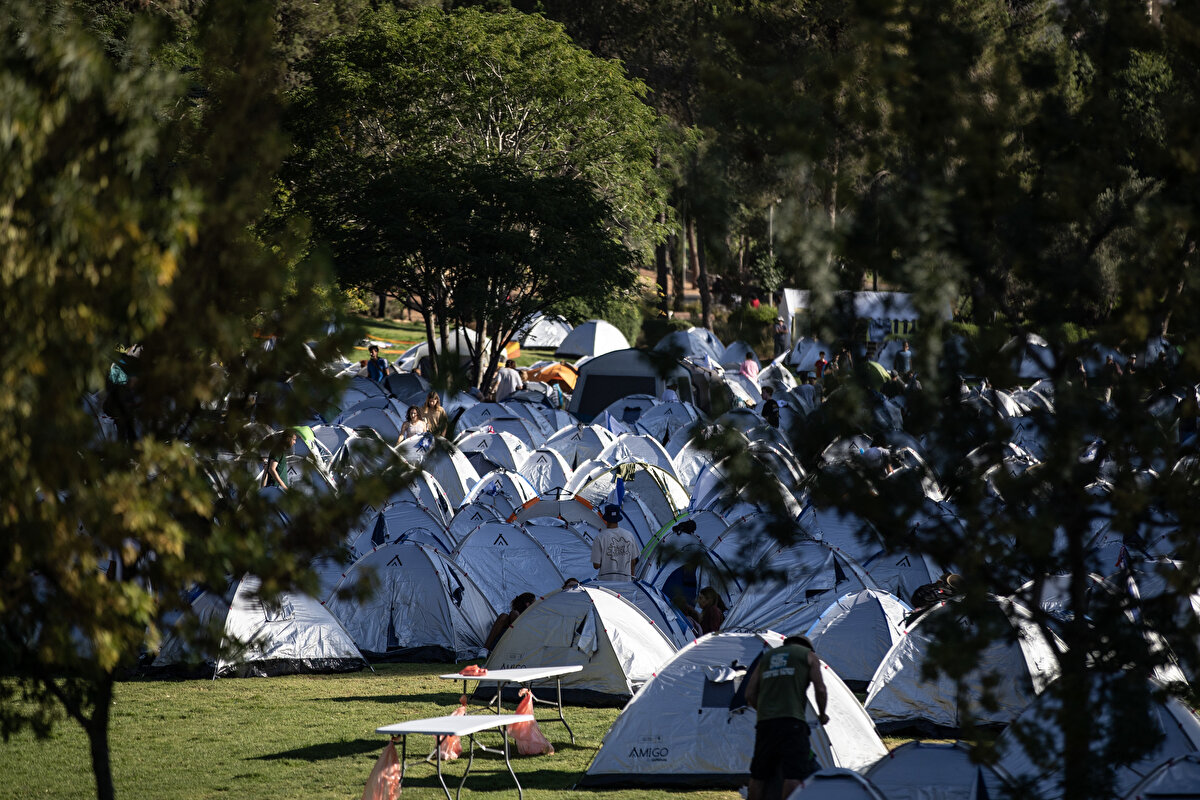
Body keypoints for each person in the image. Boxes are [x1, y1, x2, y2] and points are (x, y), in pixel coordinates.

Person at [744, 635, 829, 800]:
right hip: (792, 723)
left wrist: (765, 711)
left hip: (765, 725)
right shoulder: (808, 655)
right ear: (808, 647)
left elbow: (749, 694)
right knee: (793, 774)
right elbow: (820, 689)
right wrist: (822, 714)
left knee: (759, 775)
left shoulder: (767, 657)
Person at [592, 505, 639, 580]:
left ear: (606, 518)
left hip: (606, 582)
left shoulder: (599, 537)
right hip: (625, 581)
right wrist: (631, 575)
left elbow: (596, 565)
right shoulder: (629, 535)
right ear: (618, 518)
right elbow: (633, 560)